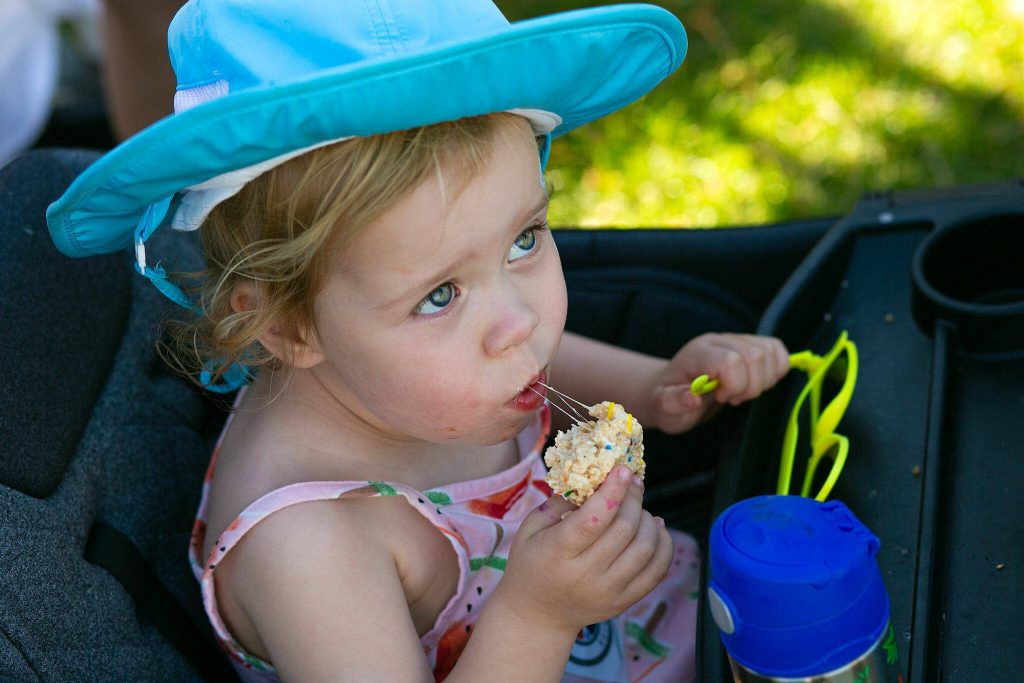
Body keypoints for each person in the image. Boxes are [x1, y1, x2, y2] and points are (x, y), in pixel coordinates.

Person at [46, 0, 790, 680]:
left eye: (524, 239)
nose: (519, 325)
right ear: (287, 322)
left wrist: (656, 386)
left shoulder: (443, 367)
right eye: (440, 294)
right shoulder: (309, 545)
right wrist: (538, 614)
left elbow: (535, 366)